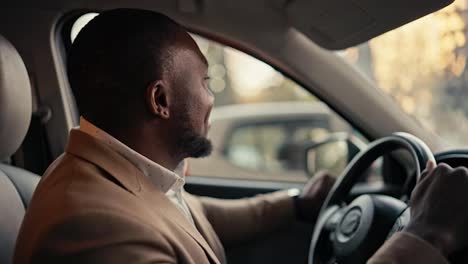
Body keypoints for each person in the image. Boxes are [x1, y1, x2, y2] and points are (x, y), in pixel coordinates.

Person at [13, 9, 468, 264]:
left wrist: (295, 204)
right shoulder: (90, 228)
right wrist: (424, 236)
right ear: (160, 100)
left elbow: (192, 216)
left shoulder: (121, 175)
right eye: (206, 83)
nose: (213, 100)